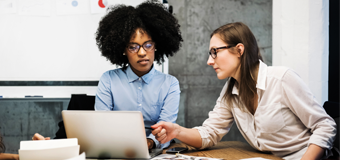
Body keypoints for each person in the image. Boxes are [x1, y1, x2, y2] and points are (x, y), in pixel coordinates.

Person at [151, 22, 337, 159]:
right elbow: (210, 133)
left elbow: (325, 126)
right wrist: (176, 131)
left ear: (239, 50)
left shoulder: (281, 78)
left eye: (215, 52)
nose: (209, 61)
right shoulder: (230, 90)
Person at [33, 0, 183, 150]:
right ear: (123, 50)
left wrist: (149, 143)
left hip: (155, 150)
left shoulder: (170, 84)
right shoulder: (109, 80)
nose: (142, 52)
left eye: (148, 45)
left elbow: (166, 130)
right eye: (133, 47)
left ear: (157, 46)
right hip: (115, 150)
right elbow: (102, 126)